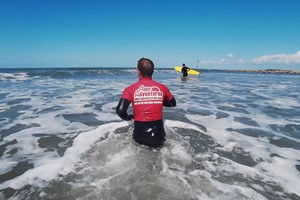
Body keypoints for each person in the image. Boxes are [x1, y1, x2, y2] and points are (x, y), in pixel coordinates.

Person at [116, 58, 176, 148]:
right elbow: (173, 104)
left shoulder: (130, 89)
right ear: (152, 71)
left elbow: (120, 110)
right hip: (158, 134)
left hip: (140, 134)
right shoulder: (162, 87)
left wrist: (128, 118)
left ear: (138, 72)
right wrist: (157, 100)